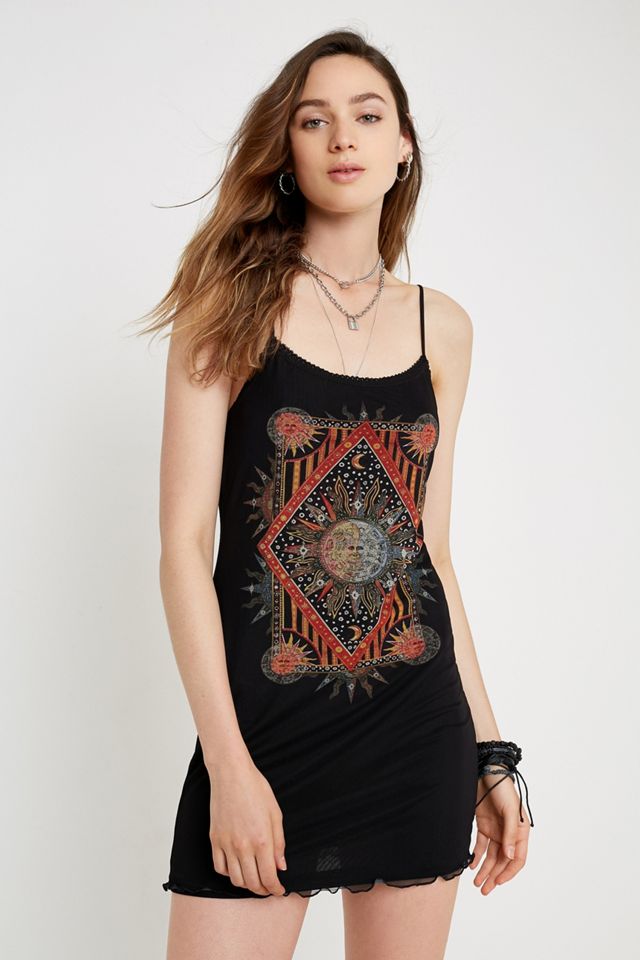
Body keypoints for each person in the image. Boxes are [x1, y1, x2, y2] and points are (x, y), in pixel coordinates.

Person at [138, 28, 534, 960]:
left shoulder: (444, 328)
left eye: (367, 115)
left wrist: (490, 753)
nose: (343, 137)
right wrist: (228, 766)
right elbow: (184, 547)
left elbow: (431, 556)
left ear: (403, 148)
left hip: (416, 734)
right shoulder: (226, 303)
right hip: (265, 738)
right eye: (314, 120)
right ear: (287, 148)